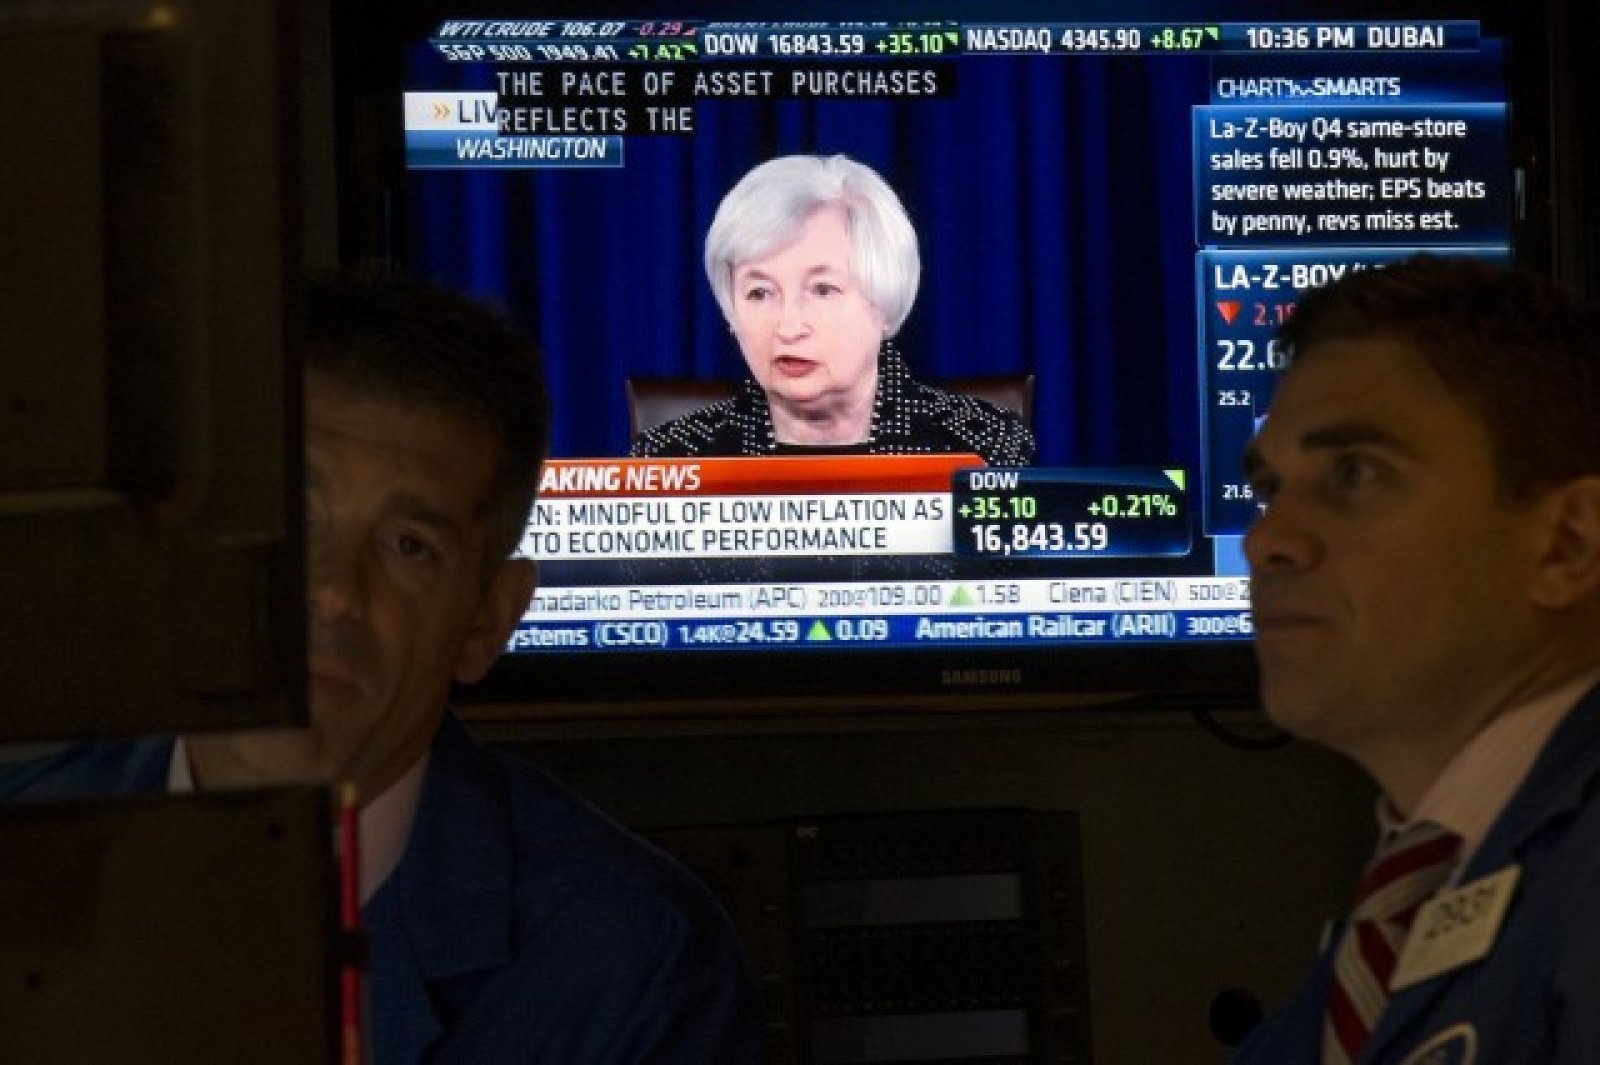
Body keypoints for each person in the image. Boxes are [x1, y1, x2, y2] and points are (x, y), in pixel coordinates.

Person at [0, 274, 765, 1063]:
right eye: (292, 516)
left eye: (408, 545)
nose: (335, 590)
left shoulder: (640, 968)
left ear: (488, 619)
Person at [1232, 255, 1600, 1064]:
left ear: (1568, 542)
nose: (1268, 540)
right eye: (1270, 488)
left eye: (1355, 474)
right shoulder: (1404, 901)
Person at [630, 153, 1035, 464]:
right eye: (760, 293)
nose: (789, 327)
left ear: (884, 300)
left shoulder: (981, 448)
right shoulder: (671, 458)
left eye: (822, 290)